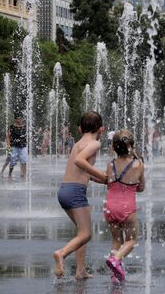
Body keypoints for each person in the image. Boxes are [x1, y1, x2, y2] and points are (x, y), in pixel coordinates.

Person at [53, 111, 107, 280]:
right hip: (75, 192)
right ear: (101, 129)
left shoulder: (77, 143)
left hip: (65, 190)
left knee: (81, 232)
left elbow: (82, 171)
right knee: (86, 234)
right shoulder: (94, 144)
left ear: (79, 129)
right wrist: (102, 175)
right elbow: (80, 162)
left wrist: (103, 181)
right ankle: (62, 253)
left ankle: (80, 270)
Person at [103, 130, 145, 283]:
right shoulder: (138, 164)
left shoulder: (110, 164)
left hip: (109, 206)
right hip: (127, 208)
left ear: (114, 147)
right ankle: (116, 260)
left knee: (116, 240)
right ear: (131, 146)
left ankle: (115, 274)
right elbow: (141, 188)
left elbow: (108, 183)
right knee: (132, 240)